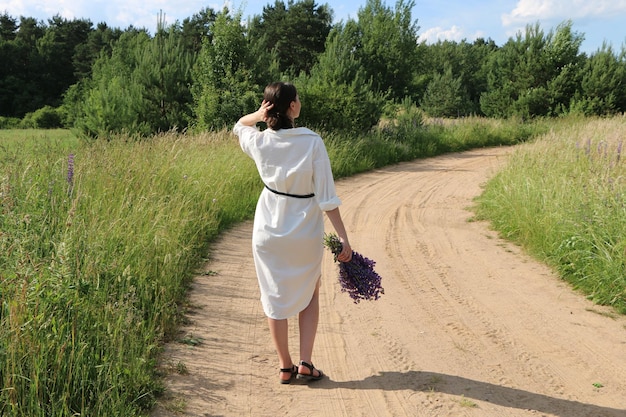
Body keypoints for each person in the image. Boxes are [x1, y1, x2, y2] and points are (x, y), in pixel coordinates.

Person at [233, 82, 353, 384]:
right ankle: (305, 363)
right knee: (310, 290)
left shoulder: (259, 141)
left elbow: (239, 125)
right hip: (304, 230)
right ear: (292, 107)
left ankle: (285, 366)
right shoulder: (312, 142)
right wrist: (343, 237)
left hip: (268, 230)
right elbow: (327, 197)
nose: (299, 101)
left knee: (274, 295)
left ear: (268, 107)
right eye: (297, 98)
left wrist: (259, 115)